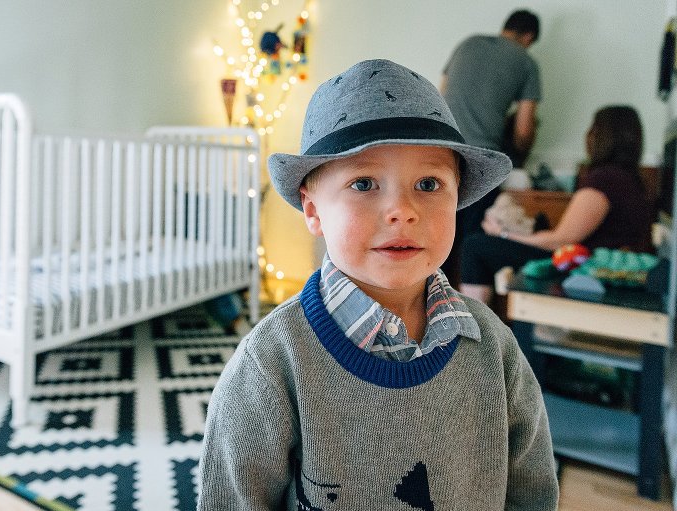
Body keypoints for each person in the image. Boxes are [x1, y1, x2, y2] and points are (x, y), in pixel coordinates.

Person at [198, 59, 558, 510]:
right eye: (364, 183)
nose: (402, 210)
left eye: (428, 183)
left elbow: (532, 493)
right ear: (313, 211)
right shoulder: (270, 365)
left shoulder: (495, 350)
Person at [459, 105, 652, 306]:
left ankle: (473, 326)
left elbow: (560, 242)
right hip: (594, 263)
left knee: (474, 246)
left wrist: (502, 234)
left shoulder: (605, 179)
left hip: (581, 266)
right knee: (535, 227)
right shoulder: (631, 180)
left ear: (600, 136)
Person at [439, 9, 542, 284]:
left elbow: (441, 94)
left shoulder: (467, 44)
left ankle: (424, 308)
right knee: (471, 244)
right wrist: (522, 149)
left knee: (439, 234)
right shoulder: (527, 63)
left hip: (440, 151)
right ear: (528, 37)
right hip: (482, 160)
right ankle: (462, 316)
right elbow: (523, 129)